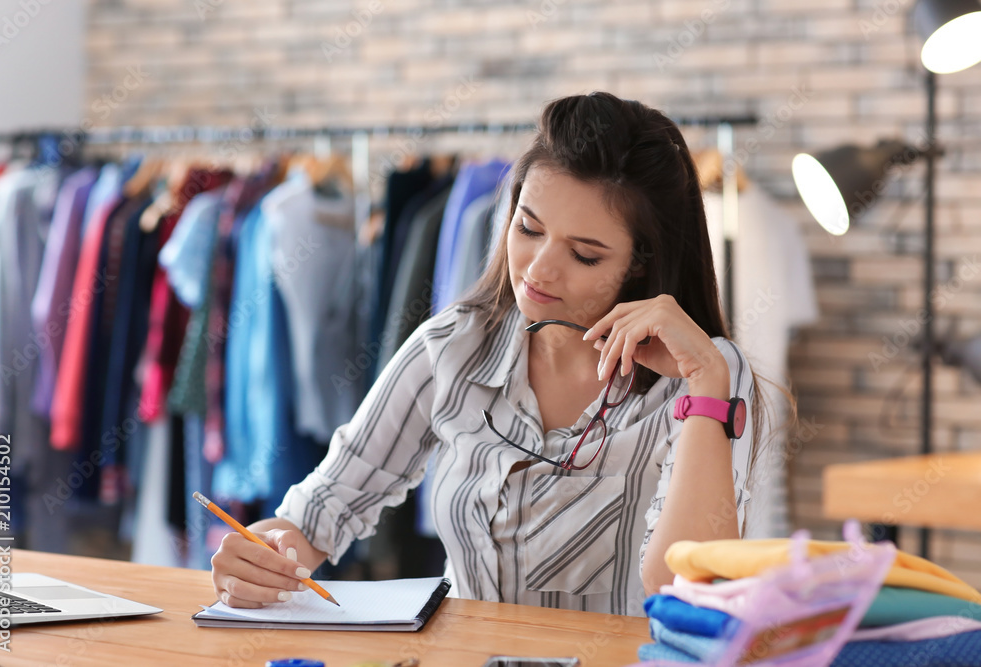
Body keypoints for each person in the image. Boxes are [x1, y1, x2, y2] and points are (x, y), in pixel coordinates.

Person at [210, 92, 765, 617]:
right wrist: (264, 555)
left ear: (640, 264)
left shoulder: (708, 375)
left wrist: (706, 387)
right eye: (528, 228)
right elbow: (319, 512)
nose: (538, 268)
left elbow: (686, 591)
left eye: (584, 255)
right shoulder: (454, 347)